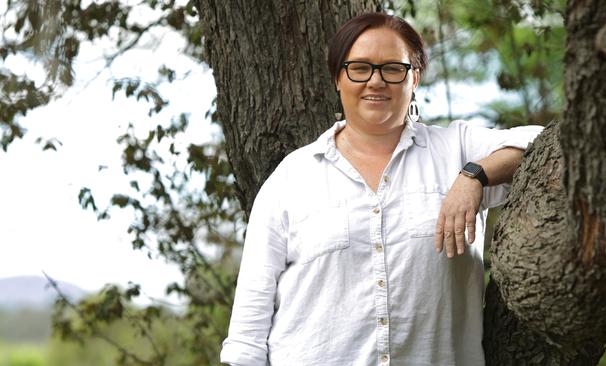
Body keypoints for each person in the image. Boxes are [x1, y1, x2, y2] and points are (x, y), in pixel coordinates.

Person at [220, 12, 542, 366]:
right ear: (338, 78)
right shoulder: (290, 179)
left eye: (393, 68)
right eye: (359, 68)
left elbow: (546, 143)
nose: (376, 82)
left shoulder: (456, 149)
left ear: (414, 77)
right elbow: (248, 335)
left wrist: (473, 176)